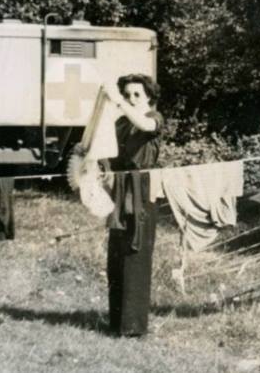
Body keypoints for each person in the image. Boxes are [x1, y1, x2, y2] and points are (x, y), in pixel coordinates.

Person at [105, 74, 163, 337]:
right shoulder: (120, 123)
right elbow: (109, 155)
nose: (131, 99)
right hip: (119, 189)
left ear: (149, 97)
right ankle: (116, 322)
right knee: (116, 254)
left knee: (136, 253)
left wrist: (119, 101)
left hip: (142, 189)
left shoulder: (153, 118)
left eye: (137, 94)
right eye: (127, 94)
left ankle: (134, 327)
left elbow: (145, 125)